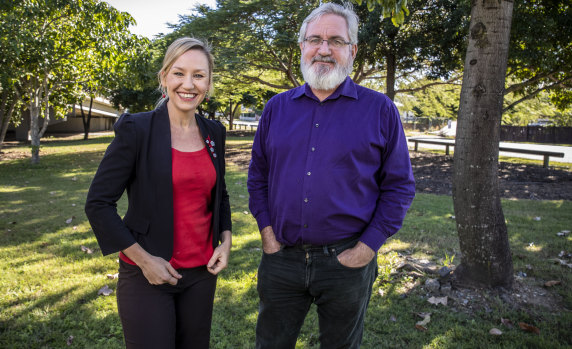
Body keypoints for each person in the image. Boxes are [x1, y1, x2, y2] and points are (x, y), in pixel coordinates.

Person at [247, 3, 415, 348]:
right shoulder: (276, 108)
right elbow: (258, 176)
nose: (324, 49)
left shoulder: (380, 109)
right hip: (281, 260)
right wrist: (266, 233)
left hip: (347, 263)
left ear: (352, 50)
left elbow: (399, 187)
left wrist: (366, 250)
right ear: (302, 47)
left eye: (336, 40)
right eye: (315, 40)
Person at [85, 37, 232, 349]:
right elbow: (98, 204)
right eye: (179, 73)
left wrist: (226, 241)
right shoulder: (136, 130)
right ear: (164, 77)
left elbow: (220, 195)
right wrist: (145, 260)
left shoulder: (214, 132)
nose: (188, 84)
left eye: (199, 75)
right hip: (147, 275)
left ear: (209, 82)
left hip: (202, 274)